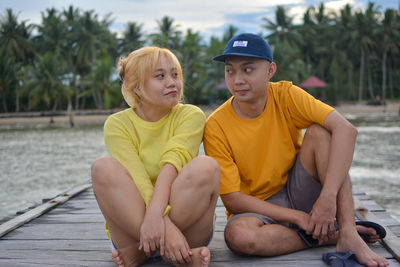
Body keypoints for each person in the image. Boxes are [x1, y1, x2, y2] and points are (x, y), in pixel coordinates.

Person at [203, 33, 389, 267]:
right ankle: (330, 235)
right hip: (259, 207)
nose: (237, 79)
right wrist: (297, 217)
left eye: (247, 69)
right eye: (230, 71)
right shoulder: (216, 125)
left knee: (321, 133)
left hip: (300, 186)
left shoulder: (286, 95)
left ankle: (349, 232)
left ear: (270, 70)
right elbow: (232, 199)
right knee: (238, 236)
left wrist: (327, 197)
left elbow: (346, 130)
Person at [91, 46, 220, 267]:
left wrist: (157, 219)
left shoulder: (191, 115)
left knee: (206, 166)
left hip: (188, 232)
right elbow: (137, 177)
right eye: (160, 76)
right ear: (137, 88)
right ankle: (169, 251)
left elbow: (172, 163)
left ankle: (145, 252)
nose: (172, 82)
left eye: (175, 74)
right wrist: (166, 230)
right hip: (134, 231)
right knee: (102, 167)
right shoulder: (118, 124)